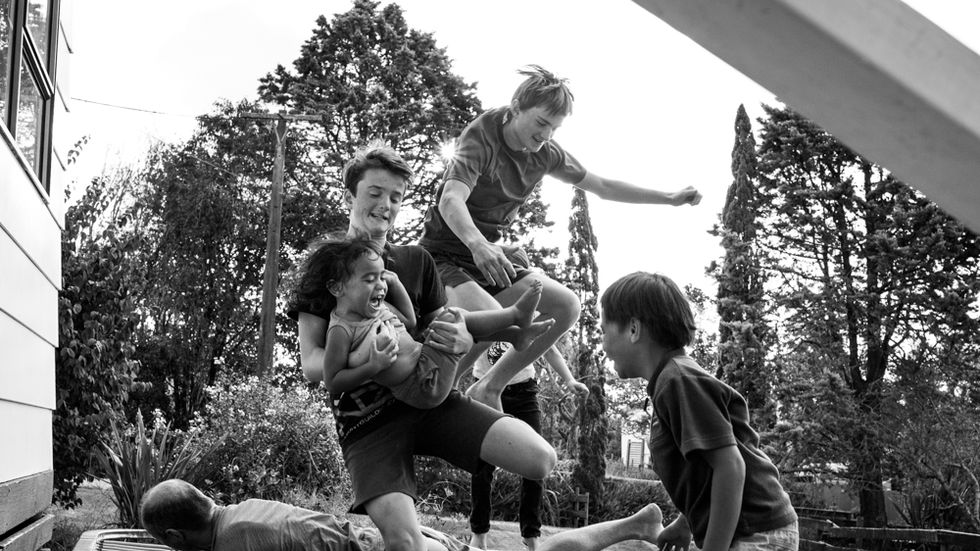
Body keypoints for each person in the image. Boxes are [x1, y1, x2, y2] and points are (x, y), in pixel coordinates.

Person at [288, 143, 557, 551]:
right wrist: (370, 358)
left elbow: (444, 329)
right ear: (351, 195)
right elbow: (312, 364)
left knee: (540, 459)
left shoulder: (416, 262)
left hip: (429, 400)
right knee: (405, 544)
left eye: (396, 197)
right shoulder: (327, 267)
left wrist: (471, 337)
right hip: (369, 425)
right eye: (375, 192)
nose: (386, 205)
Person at [419, 65, 703, 410]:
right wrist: (478, 244)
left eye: (555, 128)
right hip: (445, 256)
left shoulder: (546, 154)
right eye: (541, 123)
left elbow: (603, 186)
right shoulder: (483, 135)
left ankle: (489, 386)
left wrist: (670, 198)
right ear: (515, 109)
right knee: (495, 315)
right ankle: (433, 390)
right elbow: (450, 200)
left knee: (566, 304)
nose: (546, 135)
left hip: (488, 259)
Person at [599, 271, 799, 551]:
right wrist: (685, 523)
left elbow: (731, 467)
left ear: (633, 329)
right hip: (754, 530)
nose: (603, 345)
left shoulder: (678, 380)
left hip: (756, 532)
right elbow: (703, 472)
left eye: (603, 331)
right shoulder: (670, 381)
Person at [311, 237, 553, 409]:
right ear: (337, 288)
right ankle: (514, 317)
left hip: (425, 360)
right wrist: (372, 367)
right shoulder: (341, 330)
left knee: (449, 318)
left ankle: (515, 332)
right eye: (369, 279)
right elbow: (333, 382)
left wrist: (396, 285)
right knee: (452, 317)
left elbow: (410, 322)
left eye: (381, 277)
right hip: (423, 386)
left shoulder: (379, 308)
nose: (380, 286)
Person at [139, 479, 666, 551]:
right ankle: (636, 527)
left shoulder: (236, 542)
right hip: (390, 536)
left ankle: (634, 526)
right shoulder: (239, 513)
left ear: (172, 534)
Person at [468, 344, 588, 550]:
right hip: (484, 388)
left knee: (535, 463)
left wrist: (569, 379)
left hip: (524, 392)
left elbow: (549, 348)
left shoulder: (528, 313)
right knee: (482, 464)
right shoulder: (482, 311)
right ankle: (479, 533)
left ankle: (531, 534)